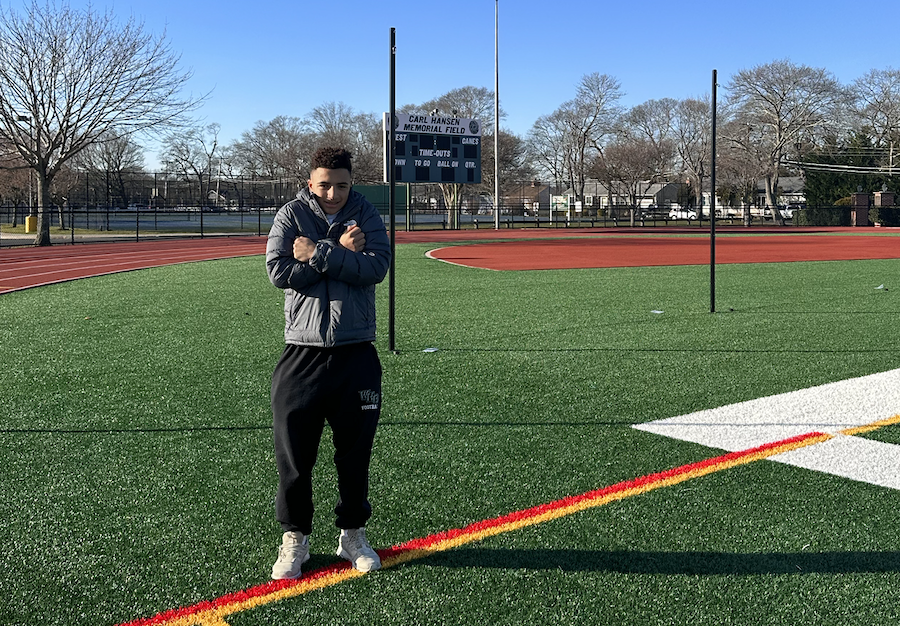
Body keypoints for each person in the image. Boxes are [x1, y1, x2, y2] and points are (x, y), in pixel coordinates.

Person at [265, 146, 390, 579]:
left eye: (341, 184)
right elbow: (279, 274)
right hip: (301, 352)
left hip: (356, 353)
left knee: (354, 455)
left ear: (351, 182)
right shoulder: (289, 215)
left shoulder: (368, 215)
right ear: (309, 182)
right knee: (295, 456)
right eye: (324, 185)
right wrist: (339, 251)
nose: (333, 193)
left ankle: (352, 535)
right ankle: (295, 538)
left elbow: (377, 268)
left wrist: (317, 253)